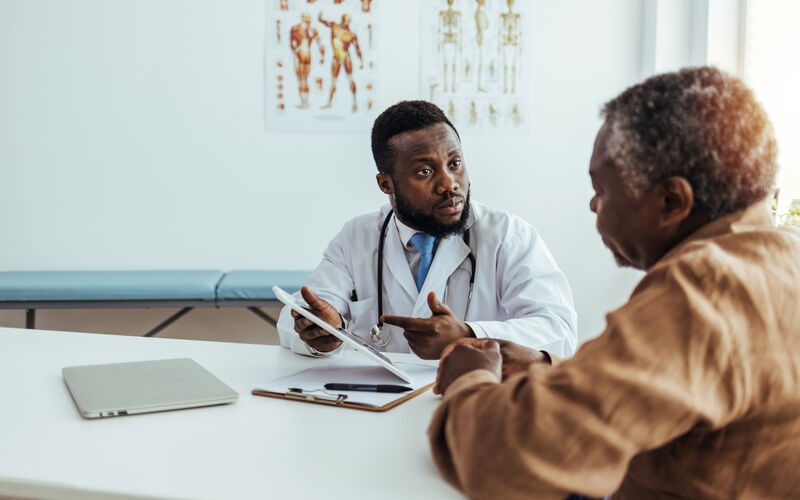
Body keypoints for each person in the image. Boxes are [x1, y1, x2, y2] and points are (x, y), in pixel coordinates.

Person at [428, 66, 800, 499]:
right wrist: (555, 370)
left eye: (601, 188)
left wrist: (467, 380)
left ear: (670, 202)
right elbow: (687, 382)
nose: (592, 203)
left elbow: (505, 457)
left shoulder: (701, 289)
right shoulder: (783, 252)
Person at [277, 100, 578, 360]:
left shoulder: (509, 235)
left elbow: (559, 330)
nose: (449, 183)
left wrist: (469, 335)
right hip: (382, 408)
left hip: (476, 403)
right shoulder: (358, 237)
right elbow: (298, 318)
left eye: (455, 163)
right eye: (425, 171)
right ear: (386, 184)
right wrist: (319, 333)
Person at [318, 12, 363, 112]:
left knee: (350, 79)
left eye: (348, 20)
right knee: (333, 81)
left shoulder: (351, 34)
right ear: (342, 19)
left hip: (346, 57)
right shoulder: (334, 26)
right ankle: (329, 102)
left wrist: (361, 61)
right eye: (345, 19)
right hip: (336, 57)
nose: (347, 22)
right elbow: (325, 22)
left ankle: (355, 102)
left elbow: (357, 48)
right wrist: (320, 18)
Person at [289, 12, 324, 109]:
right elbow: (320, 45)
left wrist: (296, 51)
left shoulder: (296, 28)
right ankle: (305, 102)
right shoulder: (312, 30)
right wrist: (322, 57)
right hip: (307, 53)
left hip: (300, 52)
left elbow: (292, 44)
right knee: (305, 79)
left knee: (301, 79)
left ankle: (304, 102)